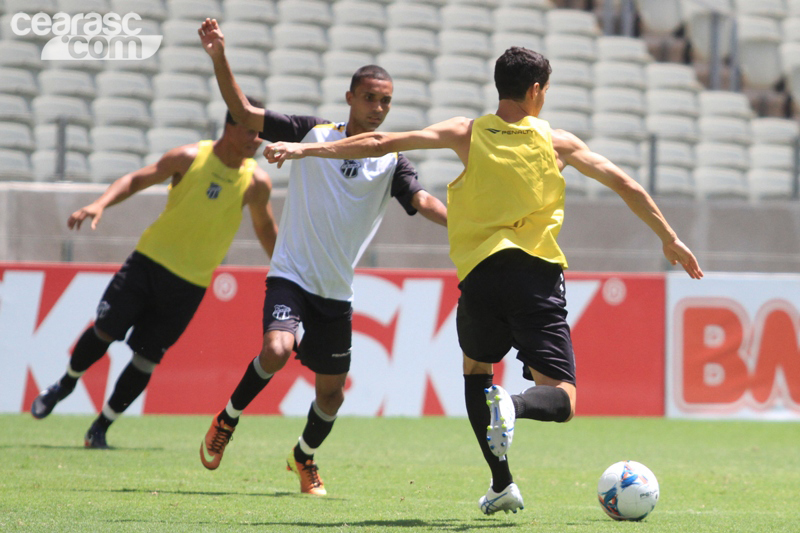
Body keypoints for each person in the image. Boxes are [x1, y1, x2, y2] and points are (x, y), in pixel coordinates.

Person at [262, 47, 704, 513]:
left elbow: (379, 143)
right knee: (564, 397)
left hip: (479, 276)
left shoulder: (466, 132)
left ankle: (501, 483)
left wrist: (305, 148)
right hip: (535, 275)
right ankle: (515, 405)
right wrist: (669, 239)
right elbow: (626, 185)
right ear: (535, 91)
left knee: (476, 371)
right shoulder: (558, 143)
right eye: (545, 91)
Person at [197, 19, 447, 496]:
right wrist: (218, 58)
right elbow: (244, 113)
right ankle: (227, 420)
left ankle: (303, 458)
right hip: (291, 275)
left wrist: (466, 224)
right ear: (350, 97)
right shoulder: (310, 133)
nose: (378, 108)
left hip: (336, 291)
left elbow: (423, 202)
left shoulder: (390, 158)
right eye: (371, 98)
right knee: (277, 349)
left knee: (331, 394)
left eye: (386, 101)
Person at [30, 98, 279, 450]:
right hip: (147, 264)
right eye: (253, 131)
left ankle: (101, 427)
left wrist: (289, 272)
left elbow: (266, 228)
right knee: (104, 331)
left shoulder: (256, 183)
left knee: (146, 359)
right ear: (231, 126)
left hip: (189, 285)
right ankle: (66, 383)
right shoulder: (190, 157)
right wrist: (100, 203)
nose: (259, 139)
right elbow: (136, 178)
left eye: (263, 133)